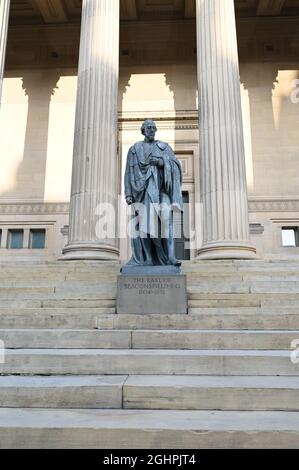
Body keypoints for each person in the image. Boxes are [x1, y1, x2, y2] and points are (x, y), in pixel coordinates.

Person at [124, 119, 183, 267]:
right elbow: (128, 173)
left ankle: (170, 257)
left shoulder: (164, 148)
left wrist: (162, 163)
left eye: (153, 128)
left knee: (166, 221)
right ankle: (148, 258)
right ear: (142, 130)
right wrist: (128, 192)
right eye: (148, 128)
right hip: (141, 192)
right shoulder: (134, 149)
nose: (151, 130)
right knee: (144, 226)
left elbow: (176, 166)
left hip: (161, 191)